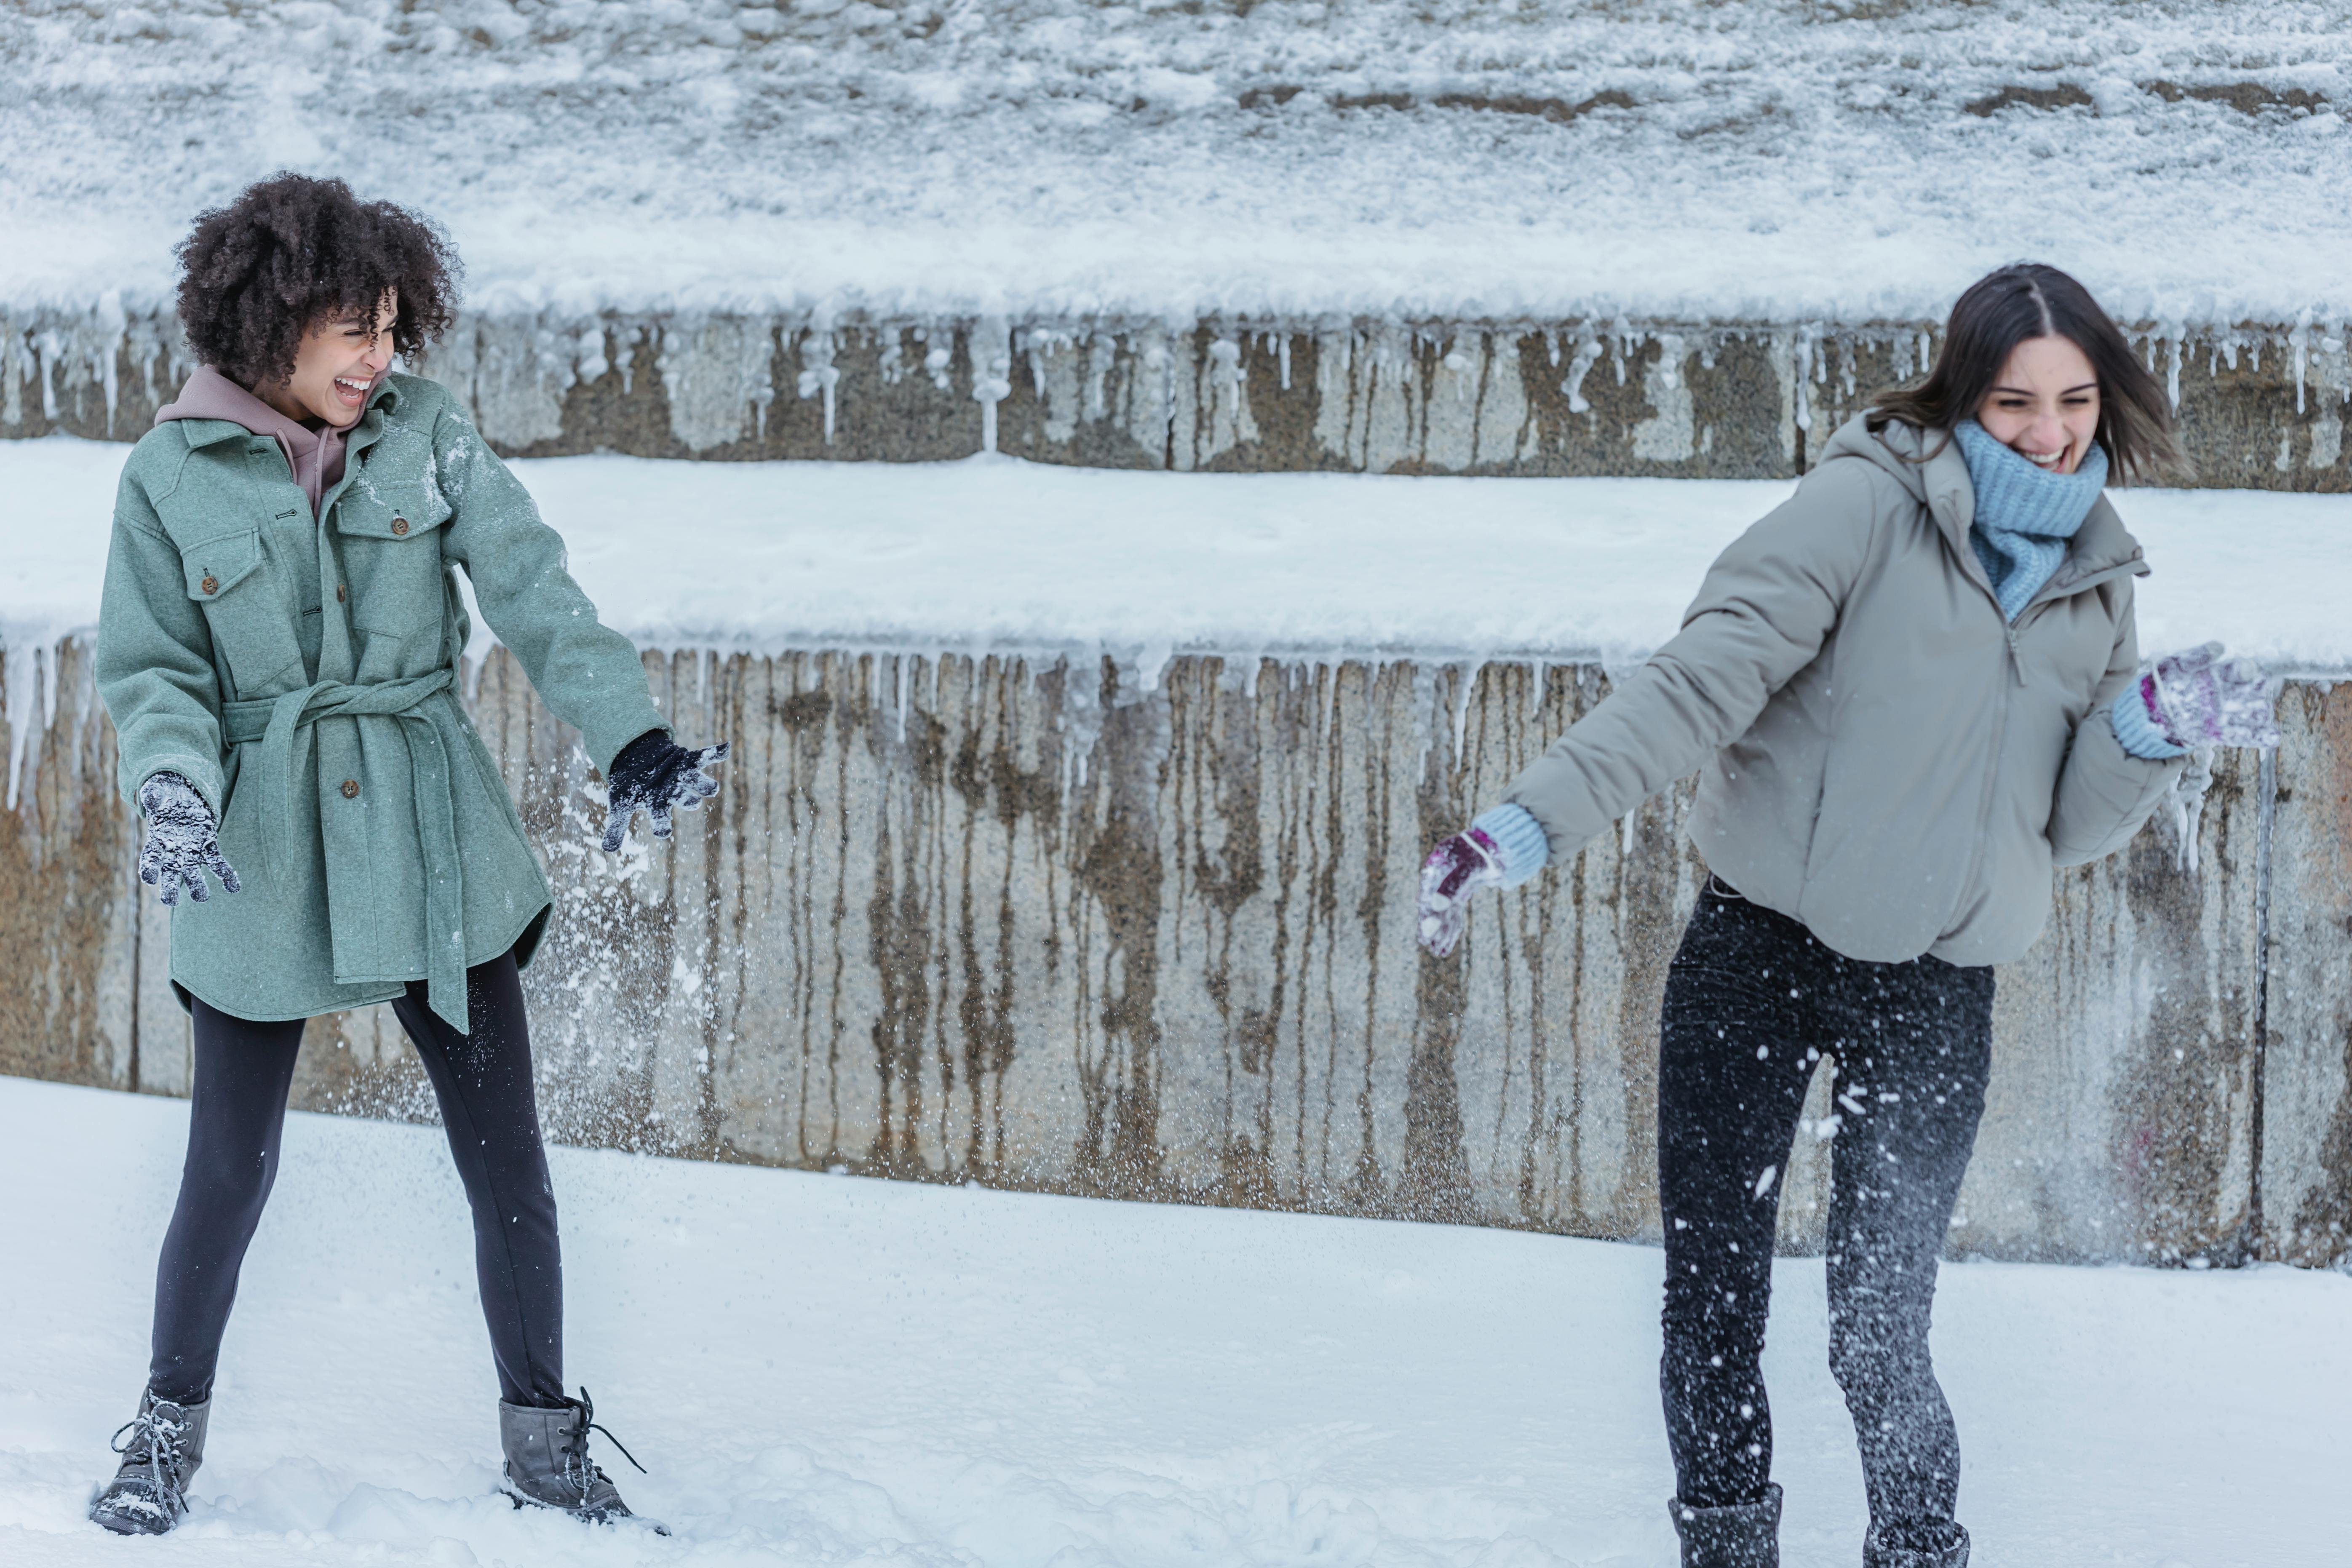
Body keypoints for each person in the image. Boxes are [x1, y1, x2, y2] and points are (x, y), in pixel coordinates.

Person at [1415, 263, 2280, 1568]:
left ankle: (1920, 1550)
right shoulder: (1860, 509)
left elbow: (2062, 826)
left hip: (1936, 986)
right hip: (1760, 952)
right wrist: (1527, 821)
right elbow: (1699, 680)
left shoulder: (2102, 581)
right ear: (1959, 393)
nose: (2049, 432)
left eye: (2075, 400)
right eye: (2013, 402)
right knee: (1714, 1298)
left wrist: (2146, 729)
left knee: (1882, 1320)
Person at [88, 173, 727, 1537]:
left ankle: (546, 1442)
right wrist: (176, 791)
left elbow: (534, 590)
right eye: (351, 330)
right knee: (228, 1165)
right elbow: (155, 677)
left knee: (507, 1156)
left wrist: (633, 738)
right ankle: (164, 1428)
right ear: (269, 321)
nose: (379, 359)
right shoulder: (167, 475)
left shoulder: (426, 436)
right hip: (259, 845)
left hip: (434, 835)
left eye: (391, 328)